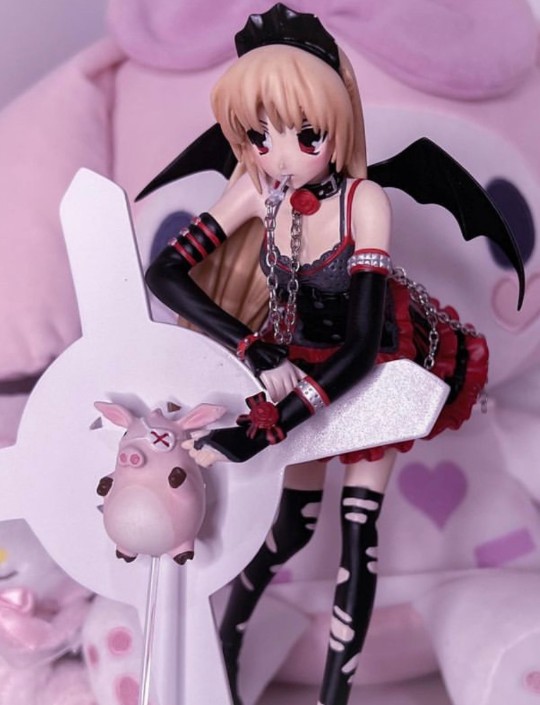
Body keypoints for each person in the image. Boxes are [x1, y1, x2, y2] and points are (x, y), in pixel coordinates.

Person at [145, 5, 489, 704]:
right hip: (301, 360)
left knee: (358, 532)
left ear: (338, 123)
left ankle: (335, 696)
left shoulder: (366, 201)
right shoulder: (256, 189)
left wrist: (271, 425)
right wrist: (249, 343)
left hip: (378, 369)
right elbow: (166, 272)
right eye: (257, 135)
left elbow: (360, 348)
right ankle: (226, 651)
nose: (280, 155)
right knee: (291, 530)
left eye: (305, 134)